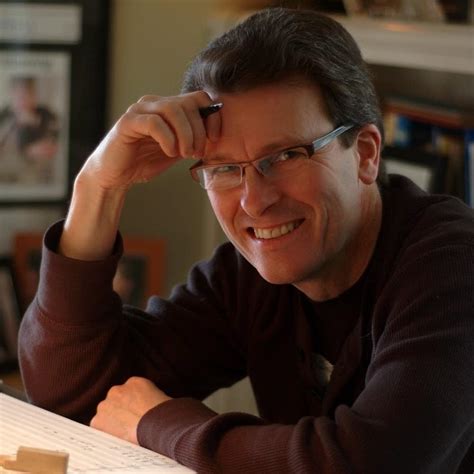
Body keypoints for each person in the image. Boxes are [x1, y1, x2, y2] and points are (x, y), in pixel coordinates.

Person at [18, 7, 473, 473]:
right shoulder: (246, 278)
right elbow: (74, 395)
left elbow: (371, 463)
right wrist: (98, 186)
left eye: (286, 156)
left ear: (365, 154)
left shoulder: (454, 268)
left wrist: (161, 423)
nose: (254, 202)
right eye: (223, 169)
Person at [0, 75, 59, 184]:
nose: (22, 100)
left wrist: (35, 123)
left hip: (38, 173)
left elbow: (53, 145)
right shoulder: (4, 116)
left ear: (34, 95)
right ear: (12, 94)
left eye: (27, 94)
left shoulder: (47, 115)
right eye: (18, 95)